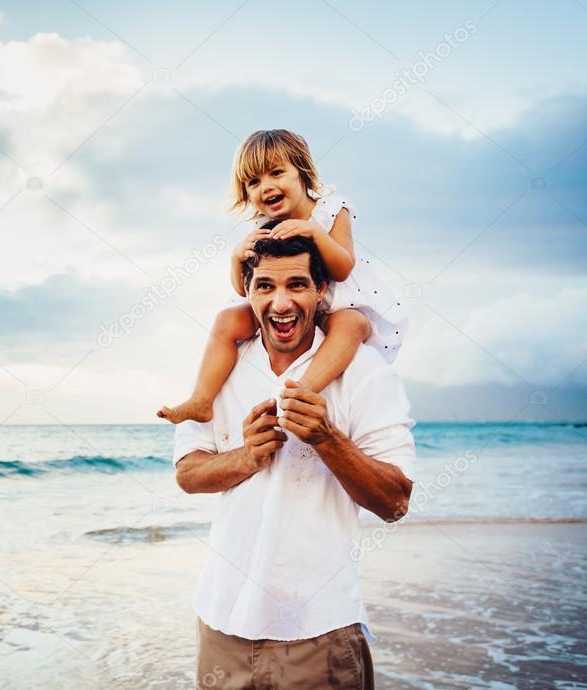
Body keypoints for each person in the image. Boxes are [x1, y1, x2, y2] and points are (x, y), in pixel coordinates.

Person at [173, 235, 416, 690]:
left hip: (320, 632)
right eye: (264, 286)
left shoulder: (364, 371)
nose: (280, 303)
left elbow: (395, 501)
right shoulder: (221, 367)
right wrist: (247, 456)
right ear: (246, 292)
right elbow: (187, 472)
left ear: (320, 289)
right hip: (222, 623)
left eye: (297, 285)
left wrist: (327, 439)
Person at [157, 129, 406, 424]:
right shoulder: (264, 227)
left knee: (352, 325)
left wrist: (314, 232)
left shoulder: (331, 210)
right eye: (254, 182)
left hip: (338, 302)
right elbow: (243, 291)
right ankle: (202, 400)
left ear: (301, 172)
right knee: (228, 318)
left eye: (276, 173)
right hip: (286, 305)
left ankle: (300, 393)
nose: (267, 187)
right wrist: (236, 258)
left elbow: (343, 267)